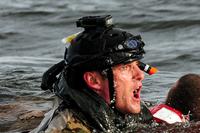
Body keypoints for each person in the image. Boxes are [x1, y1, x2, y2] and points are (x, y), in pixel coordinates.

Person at [32, 15, 157, 133]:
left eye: (137, 65)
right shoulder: (68, 128)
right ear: (93, 80)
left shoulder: (116, 105)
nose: (140, 75)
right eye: (125, 67)